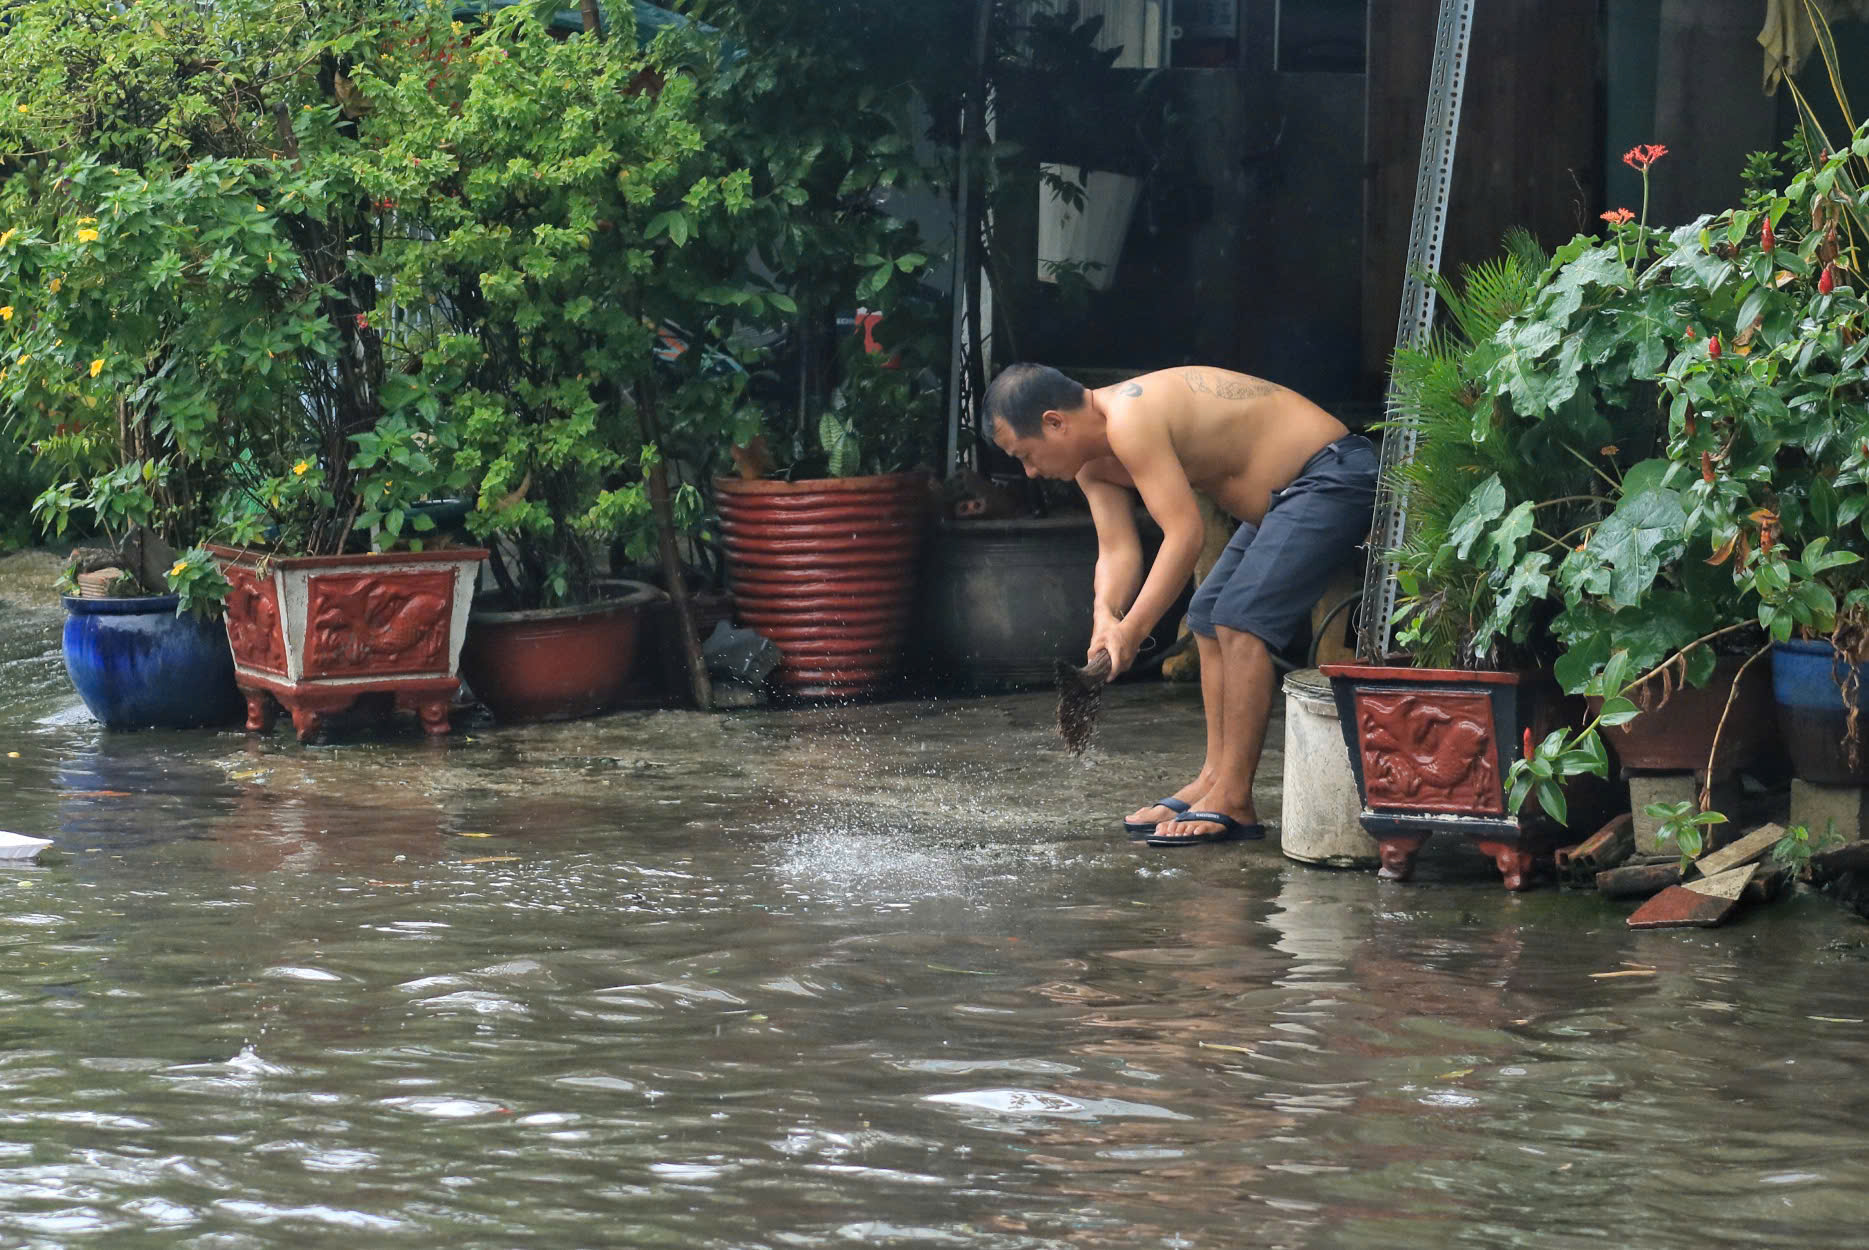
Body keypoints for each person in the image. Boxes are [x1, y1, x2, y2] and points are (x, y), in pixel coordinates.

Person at [985, 362, 1377, 846]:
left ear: (1054, 422)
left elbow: (1185, 533)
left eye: (1025, 455)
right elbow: (1118, 550)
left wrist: (1134, 630)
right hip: (1281, 504)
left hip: (1332, 471)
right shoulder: (1090, 464)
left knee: (1240, 621)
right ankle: (1214, 778)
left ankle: (1235, 796)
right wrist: (1106, 618)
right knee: (1209, 617)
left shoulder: (1129, 416)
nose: (1029, 471)